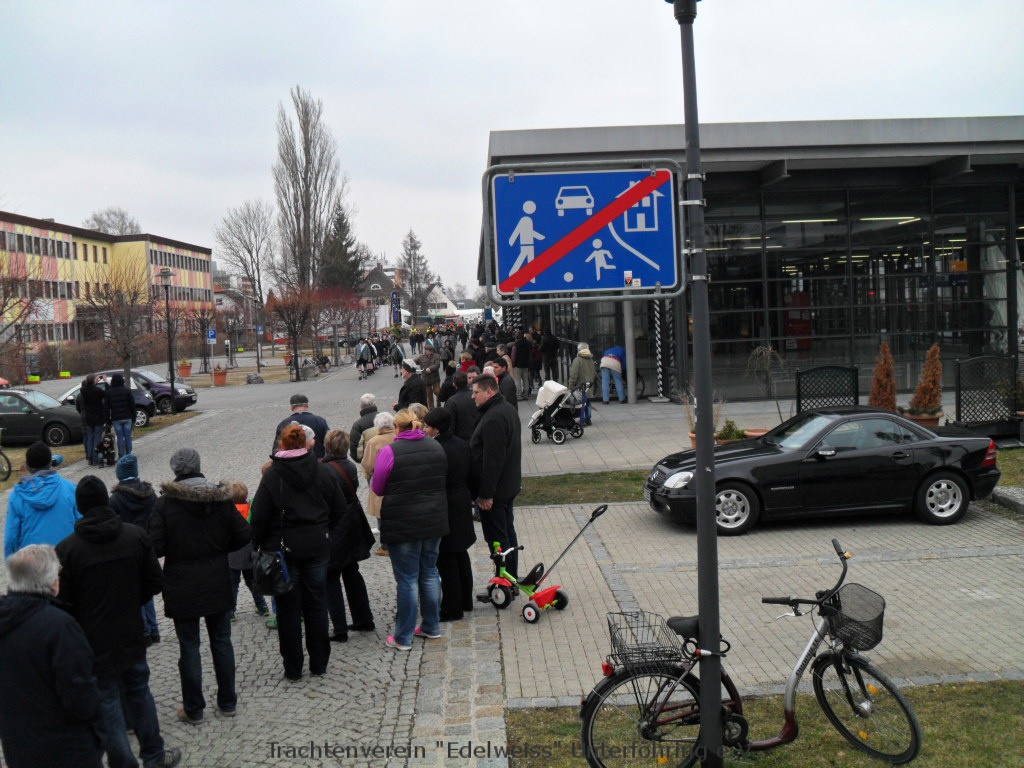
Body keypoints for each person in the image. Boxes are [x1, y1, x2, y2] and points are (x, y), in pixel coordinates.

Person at [56, 476, 182, 768]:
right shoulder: (134, 536)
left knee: (108, 700)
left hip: (93, 638)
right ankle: (153, 754)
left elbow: (63, 602)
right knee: (138, 690)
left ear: (80, 507)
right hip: (130, 630)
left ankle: (123, 761)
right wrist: (131, 601)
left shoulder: (67, 550)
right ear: (106, 500)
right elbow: (154, 582)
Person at [148, 447, 251, 724]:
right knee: (221, 641)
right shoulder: (220, 499)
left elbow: (155, 547)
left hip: (181, 582)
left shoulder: (165, 504)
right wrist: (220, 548)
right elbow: (243, 533)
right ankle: (227, 701)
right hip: (216, 577)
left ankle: (194, 709)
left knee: (189, 646)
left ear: (175, 470)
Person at [251, 424, 345, 680]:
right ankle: (319, 663)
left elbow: (258, 517)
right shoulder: (323, 470)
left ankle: (293, 668)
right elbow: (339, 509)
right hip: (317, 546)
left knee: (288, 610)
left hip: (283, 550)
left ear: (282, 445)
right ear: (307, 444)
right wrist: (326, 531)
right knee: (317, 604)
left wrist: (257, 544)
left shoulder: (273, 475)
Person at [0, 544, 105, 768]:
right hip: (66, 747)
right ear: (53, 583)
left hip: (18, 744)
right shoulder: (59, 626)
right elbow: (80, 695)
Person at [370, 409, 449, 650]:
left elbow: (378, 487)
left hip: (403, 522)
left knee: (407, 580)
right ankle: (431, 626)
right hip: (433, 519)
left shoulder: (390, 451)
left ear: (397, 427)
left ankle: (403, 637)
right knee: (430, 572)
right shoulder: (436, 447)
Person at [321, 430, 376, 642]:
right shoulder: (350, 467)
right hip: (351, 523)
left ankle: (340, 628)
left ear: (327, 446)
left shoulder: (324, 470)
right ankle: (364, 618)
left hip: (334, 525)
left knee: (331, 577)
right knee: (352, 572)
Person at [422, 408, 476, 622]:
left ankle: (452, 608)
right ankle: (465, 600)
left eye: (427, 426)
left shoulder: (436, 449)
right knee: (460, 552)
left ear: (436, 428)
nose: (424, 429)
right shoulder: (461, 443)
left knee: (446, 556)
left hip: (445, 504)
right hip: (461, 499)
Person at [468, 374, 523, 582]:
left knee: (498, 538)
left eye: (476, 392)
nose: (473, 396)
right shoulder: (505, 409)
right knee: (507, 532)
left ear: (489, 391)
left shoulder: (493, 418)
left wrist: (485, 494)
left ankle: (505, 581)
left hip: (496, 491)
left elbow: (493, 460)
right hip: (507, 485)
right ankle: (510, 577)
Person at [109, 453, 161, 645]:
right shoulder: (150, 495)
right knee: (146, 588)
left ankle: (144, 631)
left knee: (132, 590)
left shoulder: (115, 500)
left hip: (126, 549)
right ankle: (154, 629)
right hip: (147, 547)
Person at [4, 441, 80, 558]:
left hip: (34, 561)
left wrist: (12, 562)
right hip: (66, 556)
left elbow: (11, 536)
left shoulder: (17, 496)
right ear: (50, 463)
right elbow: (81, 524)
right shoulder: (70, 489)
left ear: (27, 466)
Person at [226, 481, 270, 622]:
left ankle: (231, 612)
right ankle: (262, 606)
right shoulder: (251, 509)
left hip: (233, 555)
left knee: (233, 584)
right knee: (253, 582)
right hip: (249, 553)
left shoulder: (229, 511)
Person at [362, 411, 396, 554]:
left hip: (380, 479)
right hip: (398, 479)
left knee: (381, 510)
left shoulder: (374, 441)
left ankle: (386, 544)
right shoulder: (397, 437)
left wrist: (369, 474)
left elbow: (368, 464)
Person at [272, 393, 329, 459]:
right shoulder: (320, 421)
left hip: (291, 462)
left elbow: (276, 449)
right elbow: (328, 443)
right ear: (307, 406)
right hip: (317, 461)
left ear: (292, 407)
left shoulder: (284, 424)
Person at [76, 373, 107, 466]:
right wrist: (104, 382)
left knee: (90, 438)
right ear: (94, 381)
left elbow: (87, 388)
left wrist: (93, 381)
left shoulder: (83, 391)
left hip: (88, 418)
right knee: (97, 437)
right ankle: (95, 458)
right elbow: (105, 393)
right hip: (97, 417)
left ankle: (90, 458)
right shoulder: (98, 391)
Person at [104, 373, 136, 458]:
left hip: (116, 417)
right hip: (127, 416)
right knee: (128, 436)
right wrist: (134, 417)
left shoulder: (109, 392)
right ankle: (129, 454)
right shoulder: (127, 390)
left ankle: (121, 455)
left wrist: (107, 420)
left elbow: (106, 407)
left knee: (119, 437)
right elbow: (132, 405)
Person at [443, 370, 479, 441]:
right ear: (467, 381)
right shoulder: (476, 396)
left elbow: (450, 425)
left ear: (454, 384)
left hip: (461, 439)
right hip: (477, 436)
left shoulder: (452, 401)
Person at [567, 341, 597, 426]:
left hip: (580, 386)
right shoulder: (591, 360)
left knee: (582, 403)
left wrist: (571, 386)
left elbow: (574, 375)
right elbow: (593, 373)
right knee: (588, 402)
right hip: (589, 385)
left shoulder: (577, 360)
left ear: (579, 350)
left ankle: (582, 420)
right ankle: (588, 419)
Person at [349, 393, 379, 461]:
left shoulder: (358, 424)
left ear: (361, 406)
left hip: (369, 460)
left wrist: (361, 460)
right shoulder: (385, 418)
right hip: (387, 457)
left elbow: (353, 445)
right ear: (374, 404)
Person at [414, 341, 442, 408]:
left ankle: (438, 402)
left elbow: (437, 365)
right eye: (429, 350)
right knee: (429, 394)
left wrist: (430, 368)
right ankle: (431, 407)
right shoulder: (421, 357)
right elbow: (414, 361)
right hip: (426, 379)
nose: (430, 351)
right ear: (426, 351)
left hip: (435, 378)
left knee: (437, 392)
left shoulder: (436, 356)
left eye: (431, 350)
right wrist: (410, 363)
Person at [512, 331, 534, 399]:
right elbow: (530, 354)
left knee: (517, 380)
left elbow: (513, 356)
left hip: (517, 365)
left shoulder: (515, 345)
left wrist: (513, 364)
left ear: (516, 337)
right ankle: (526, 395)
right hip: (526, 364)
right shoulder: (528, 343)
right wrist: (529, 362)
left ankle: (519, 395)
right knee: (526, 380)